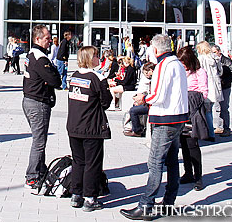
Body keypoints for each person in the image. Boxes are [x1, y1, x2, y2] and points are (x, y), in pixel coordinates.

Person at [120, 34, 189, 220]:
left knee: (155, 162)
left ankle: (146, 205)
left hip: (165, 118)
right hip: (178, 117)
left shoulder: (163, 66)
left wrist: (142, 98)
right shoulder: (176, 63)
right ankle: (168, 201)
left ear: (156, 49)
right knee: (172, 161)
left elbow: (158, 95)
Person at [67, 45, 112, 212]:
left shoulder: (74, 77)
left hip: (74, 125)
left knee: (78, 161)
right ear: (89, 58)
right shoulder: (97, 78)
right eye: (96, 56)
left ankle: (76, 194)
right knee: (92, 163)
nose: (98, 58)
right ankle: (90, 198)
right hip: (92, 127)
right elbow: (105, 102)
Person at [22, 24, 61, 192]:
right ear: (37, 39)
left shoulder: (32, 54)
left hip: (30, 100)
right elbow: (56, 80)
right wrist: (51, 75)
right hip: (38, 102)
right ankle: (32, 177)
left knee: (40, 139)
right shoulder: (39, 57)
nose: (50, 41)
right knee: (39, 141)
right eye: (46, 38)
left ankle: (40, 169)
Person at [177, 46, 209, 191]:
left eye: (184, 62)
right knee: (183, 143)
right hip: (181, 111)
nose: (182, 64)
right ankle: (188, 172)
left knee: (192, 144)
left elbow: (204, 92)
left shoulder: (199, 72)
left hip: (193, 111)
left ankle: (198, 176)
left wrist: (191, 95)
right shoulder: (181, 71)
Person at [211, 44, 232, 137]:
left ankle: (226, 128)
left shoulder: (226, 60)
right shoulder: (213, 60)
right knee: (217, 107)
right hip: (216, 87)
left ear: (219, 51)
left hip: (225, 87)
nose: (213, 54)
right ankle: (219, 126)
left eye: (214, 52)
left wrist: (224, 81)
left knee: (224, 108)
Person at [196, 41, 221, 139]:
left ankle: (209, 133)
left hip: (206, 86)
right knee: (210, 110)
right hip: (215, 87)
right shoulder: (215, 57)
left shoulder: (201, 58)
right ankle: (211, 131)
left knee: (206, 111)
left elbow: (199, 72)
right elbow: (220, 71)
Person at [124, 62, 154, 138]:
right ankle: (135, 127)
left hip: (150, 104)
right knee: (134, 106)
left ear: (151, 70)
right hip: (147, 101)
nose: (147, 75)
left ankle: (137, 130)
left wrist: (143, 99)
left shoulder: (153, 80)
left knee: (133, 111)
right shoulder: (150, 79)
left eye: (147, 73)